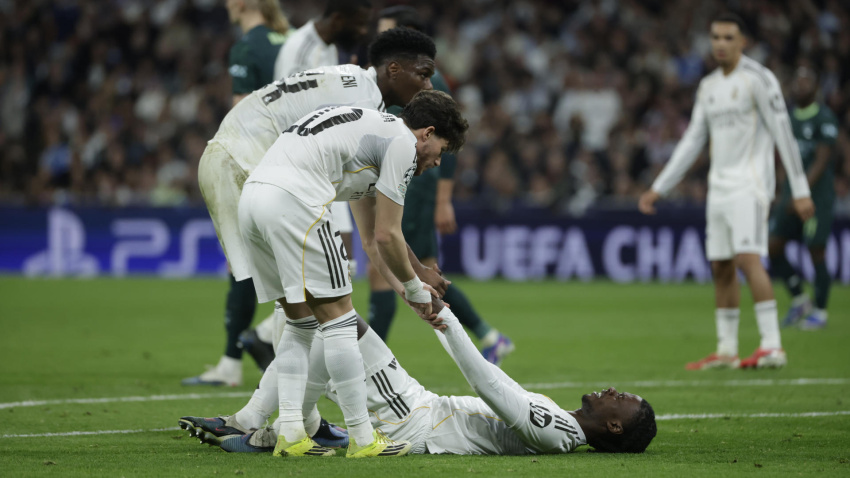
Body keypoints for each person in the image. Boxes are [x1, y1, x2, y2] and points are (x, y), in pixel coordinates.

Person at [183, 27, 442, 387]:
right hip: (245, 164)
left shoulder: (353, 84)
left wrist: (412, 281)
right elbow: (379, 232)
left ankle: (290, 417)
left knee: (303, 303)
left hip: (234, 161)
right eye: (424, 74)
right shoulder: (367, 114)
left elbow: (372, 235)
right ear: (394, 70)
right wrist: (414, 283)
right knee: (317, 302)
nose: (428, 86)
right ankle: (302, 416)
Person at [235, 90, 468, 458]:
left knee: (301, 323)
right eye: (441, 149)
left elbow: (376, 239)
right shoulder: (402, 144)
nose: (438, 161)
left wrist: (409, 290)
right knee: (341, 320)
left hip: (252, 200)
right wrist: (417, 288)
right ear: (426, 132)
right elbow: (387, 233)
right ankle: (363, 439)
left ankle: (292, 435)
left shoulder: (368, 133)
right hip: (296, 200)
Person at [182, 296, 656, 455]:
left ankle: (272, 427)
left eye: (623, 399)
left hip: (417, 419)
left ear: (614, 426)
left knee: (334, 323)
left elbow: (488, 384)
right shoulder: (564, 420)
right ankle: (290, 425)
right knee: (317, 318)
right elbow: (500, 385)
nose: (612, 390)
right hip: (422, 409)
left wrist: (446, 320)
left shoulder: (557, 431)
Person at [638, 13, 814, 370]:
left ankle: (772, 345)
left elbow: (784, 135)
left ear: (743, 41)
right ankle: (727, 350)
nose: (720, 43)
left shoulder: (760, 80)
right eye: (716, 37)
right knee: (720, 265)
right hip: (718, 188)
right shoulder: (708, 87)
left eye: (728, 37)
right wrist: (659, 187)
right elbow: (692, 141)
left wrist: (800, 189)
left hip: (750, 184)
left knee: (748, 259)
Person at [368, 5, 514, 365]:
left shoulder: (425, 81)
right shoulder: (391, 77)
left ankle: (372, 356)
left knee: (385, 267)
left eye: (388, 28)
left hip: (413, 184)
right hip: (396, 176)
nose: (380, 34)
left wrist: (443, 199)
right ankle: (488, 336)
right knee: (424, 269)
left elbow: (446, 142)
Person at [182, 0, 292, 386]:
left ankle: (237, 358)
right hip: (298, 163)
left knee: (243, 263)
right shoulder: (291, 40)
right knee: (292, 264)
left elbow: (242, 120)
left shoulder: (248, 47)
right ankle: (265, 346)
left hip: (257, 164)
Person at [272, 0, 373, 275]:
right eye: (360, 23)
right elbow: (293, 113)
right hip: (302, 166)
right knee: (328, 272)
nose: (363, 32)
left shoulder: (328, 48)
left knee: (343, 267)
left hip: (325, 165)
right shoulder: (301, 52)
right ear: (339, 19)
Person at [769, 67, 839, 331]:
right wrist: (779, 189)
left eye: (806, 81)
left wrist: (801, 192)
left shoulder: (824, 117)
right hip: (790, 196)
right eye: (796, 82)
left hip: (815, 198)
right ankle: (800, 299)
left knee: (815, 250)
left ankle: (820, 312)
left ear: (816, 87)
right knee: (773, 246)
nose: (800, 86)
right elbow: (783, 160)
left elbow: (821, 161)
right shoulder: (786, 119)